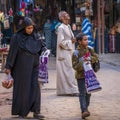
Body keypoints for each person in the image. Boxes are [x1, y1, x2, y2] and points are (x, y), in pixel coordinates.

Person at [4, 17, 47, 119]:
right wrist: (8, 66)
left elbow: (41, 47)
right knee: (23, 89)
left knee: (36, 87)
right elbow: (12, 53)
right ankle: (21, 112)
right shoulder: (16, 37)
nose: (30, 30)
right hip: (21, 68)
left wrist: (45, 50)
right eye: (28, 28)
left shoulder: (36, 36)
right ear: (24, 28)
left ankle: (36, 111)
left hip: (35, 66)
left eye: (31, 28)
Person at [72, 33, 98, 119]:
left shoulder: (90, 49)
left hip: (90, 75)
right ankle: (83, 110)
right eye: (85, 40)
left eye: (87, 39)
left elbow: (96, 57)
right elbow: (75, 66)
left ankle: (86, 108)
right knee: (82, 93)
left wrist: (90, 59)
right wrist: (83, 62)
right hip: (80, 76)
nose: (87, 41)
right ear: (79, 41)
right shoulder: (76, 53)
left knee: (89, 93)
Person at [56, 11, 79, 96]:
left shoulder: (68, 26)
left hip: (70, 52)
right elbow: (60, 42)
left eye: (68, 15)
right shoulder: (61, 28)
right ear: (62, 18)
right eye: (65, 15)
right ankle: (72, 90)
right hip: (65, 53)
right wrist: (71, 41)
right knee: (68, 71)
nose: (68, 16)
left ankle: (70, 90)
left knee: (70, 71)